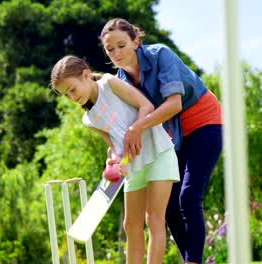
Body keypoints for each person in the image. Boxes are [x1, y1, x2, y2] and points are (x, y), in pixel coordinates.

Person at [100, 17, 223, 264]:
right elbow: (124, 127)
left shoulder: (160, 55)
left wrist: (137, 127)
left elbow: (174, 104)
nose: (116, 53)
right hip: (172, 136)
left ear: (135, 41)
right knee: (168, 207)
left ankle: (193, 261)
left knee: (188, 197)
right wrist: (115, 156)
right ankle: (188, 258)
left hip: (205, 123)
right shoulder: (120, 82)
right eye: (109, 49)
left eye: (121, 45)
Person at [51, 55, 180, 264]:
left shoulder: (109, 84)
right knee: (130, 225)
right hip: (133, 166)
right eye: (66, 95)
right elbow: (113, 147)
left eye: (72, 89)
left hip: (158, 152)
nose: (72, 97)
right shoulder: (89, 119)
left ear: (86, 75)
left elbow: (146, 106)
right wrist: (112, 161)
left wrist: (135, 130)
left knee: (153, 219)